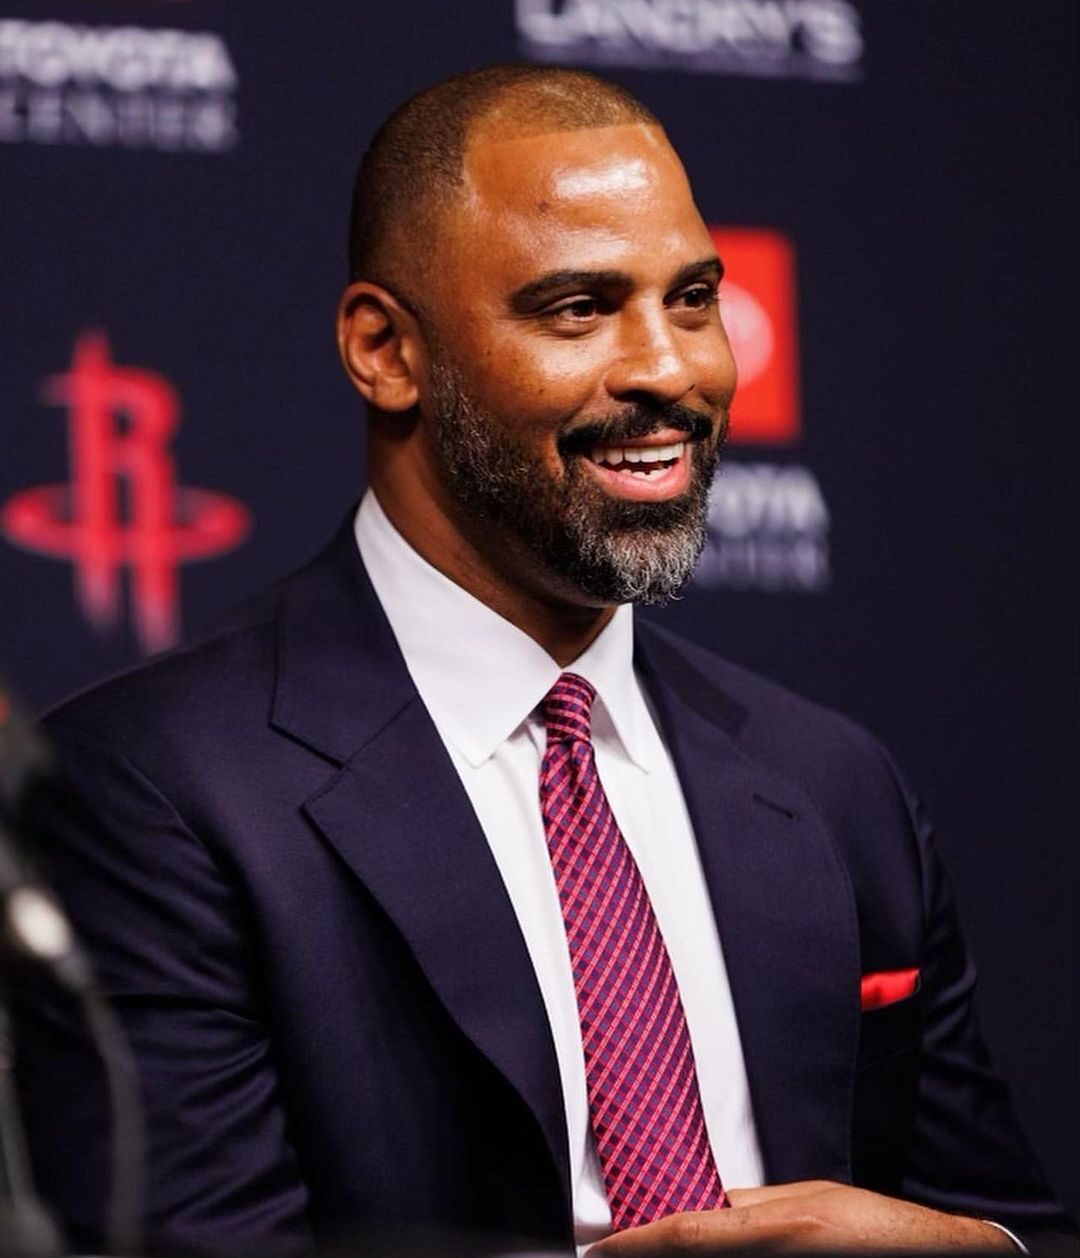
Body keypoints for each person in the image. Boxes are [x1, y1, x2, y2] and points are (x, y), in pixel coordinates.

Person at [10, 65, 1074, 1257]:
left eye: (693, 299)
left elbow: (1008, 1224)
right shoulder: (149, 787)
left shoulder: (837, 786)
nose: (670, 370)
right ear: (384, 349)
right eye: (577, 308)